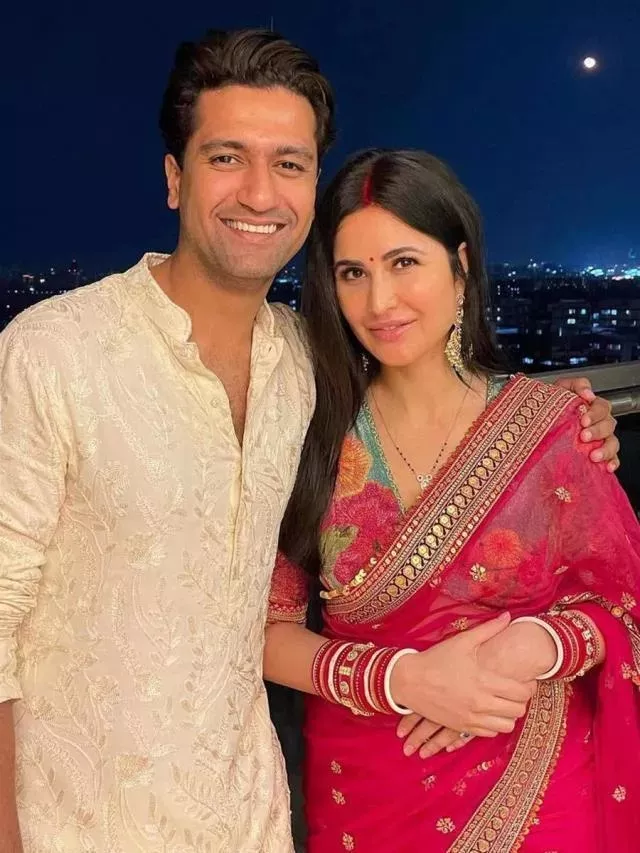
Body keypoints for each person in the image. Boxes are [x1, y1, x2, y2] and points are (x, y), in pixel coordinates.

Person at [0, 29, 620, 853]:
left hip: (255, 817)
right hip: (80, 824)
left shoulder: (306, 367)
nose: (260, 193)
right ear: (175, 178)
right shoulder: (56, 353)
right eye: (227, 157)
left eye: (289, 164)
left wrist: (575, 424)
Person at [265, 149, 640, 852]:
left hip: (539, 785)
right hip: (365, 793)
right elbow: (264, 631)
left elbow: (625, 603)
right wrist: (405, 680)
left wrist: (536, 645)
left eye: (404, 262)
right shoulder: (308, 434)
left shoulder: (549, 429)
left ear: (460, 266)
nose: (379, 302)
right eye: (353, 273)